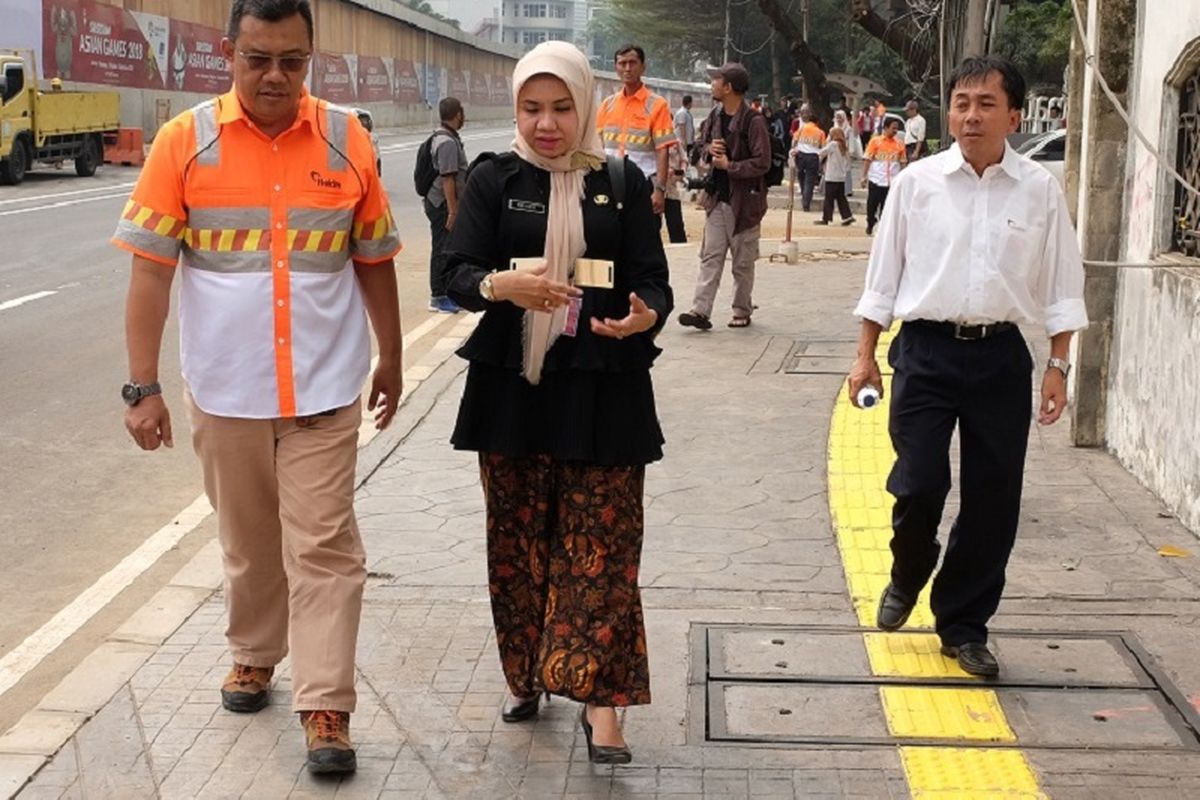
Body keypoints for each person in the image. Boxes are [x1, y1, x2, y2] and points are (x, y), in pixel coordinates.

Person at [114, 0, 402, 776]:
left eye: (292, 61)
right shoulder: (184, 141)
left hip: (324, 391)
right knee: (249, 545)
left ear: (312, 57)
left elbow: (374, 260)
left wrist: (392, 357)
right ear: (228, 54)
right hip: (227, 390)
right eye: (258, 59)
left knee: (325, 547)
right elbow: (149, 272)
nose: (275, 76)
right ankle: (254, 653)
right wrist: (141, 387)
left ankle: (326, 708)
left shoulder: (348, 141)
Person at [442, 40, 672, 766]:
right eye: (532, 108)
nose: (547, 123)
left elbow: (654, 279)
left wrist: (647, 314)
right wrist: (498, 287)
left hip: (605, 385)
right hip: (513, 386)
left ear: (585, 105)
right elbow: (453, 272)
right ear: (516, 109)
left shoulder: (621, 182)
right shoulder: (492, 178)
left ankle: (602, 707)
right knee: (518, 546)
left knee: (604, 549)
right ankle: (527, 673)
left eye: (562, 107)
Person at [847, 55, 1088, 677]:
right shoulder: (916, 184)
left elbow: (1063, 284)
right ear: (947, 111)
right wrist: (864, 357)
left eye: (985, 103)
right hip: (926, 350)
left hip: (1002, 356)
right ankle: (908, 570)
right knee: (920, 480)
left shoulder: (1039, 189)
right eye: (961, 102)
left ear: (1015, 114)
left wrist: (1059, 364)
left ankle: (964, 623)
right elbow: (884, 277)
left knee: (994, 497)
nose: (971, 115)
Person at [677, 61, 770, 331]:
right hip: (717, 199)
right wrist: (709, 149)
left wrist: (730, 166)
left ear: (728, 87)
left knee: (742, 263)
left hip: (745, 203)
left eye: (715, 80)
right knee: (711, 256)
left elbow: (762, 162)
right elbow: (698, 151)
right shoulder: (714, 118)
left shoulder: (754, 122)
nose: (711, 84)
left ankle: (742, 309)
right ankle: (700, 310)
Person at [596, 44, 678, 221]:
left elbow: (662, 150)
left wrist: (659, 190)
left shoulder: (657, 105)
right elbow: (597, 146)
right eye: (622, 63)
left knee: (644, 239)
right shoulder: (607, 105)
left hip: (643, 184)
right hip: (611, 182)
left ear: (643, 66)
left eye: (632, 62)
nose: (627, 68)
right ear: (616, 67)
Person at [425, 96, 467, 313]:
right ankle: (438, 296)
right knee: (441, 248)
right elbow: (448, 178)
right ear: (457, 114)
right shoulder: (447, 142)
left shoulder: (446, 137)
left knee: (447, 248)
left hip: (442, 203)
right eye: (462, 112)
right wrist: (452, 211)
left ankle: (445, 293)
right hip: (441, 204)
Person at [861, 116, 906, 235]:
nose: (895, 131)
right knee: (871, 206)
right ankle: (870, 222)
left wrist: (903, 178)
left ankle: (882, 229)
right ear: (885, 128)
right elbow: (867, 159)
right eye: (893, 128)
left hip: (891, 181)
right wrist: (864, 176)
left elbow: (902, 162)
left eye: (897, 128)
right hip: (876, 179)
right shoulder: (875, 142)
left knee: (886, 207)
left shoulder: (900, 144)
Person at [665, 94, 695, 243]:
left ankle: (679, 246)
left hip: (671, 188)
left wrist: (680, 172)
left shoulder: (675, 142)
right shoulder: (649, 142)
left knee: (675, 222)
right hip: (653, 187)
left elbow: (684, 160)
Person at [815, 127, 855, 226]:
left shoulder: (833, 144)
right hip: (841, 177)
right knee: (841, 198)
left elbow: (822, 152)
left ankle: (826, 218)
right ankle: (847, 216)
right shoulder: (844, 146)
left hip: (831, 176)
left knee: (829, 198)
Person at [790, 108, 826, 213]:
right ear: (817, 122)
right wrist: (821, 160)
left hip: (800, 156)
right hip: (813, 157)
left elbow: (794, 140)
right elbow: (823, 147)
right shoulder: (820, 132)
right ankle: (806, 203)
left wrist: (793, 151)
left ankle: (803, 196)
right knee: (810, 180)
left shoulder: (802, 128)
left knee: (801, 177)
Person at [833, 108, 862, 197]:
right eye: (837, 117)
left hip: (845, 153)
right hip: (835, 153)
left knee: (846, 171)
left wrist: (850, 152)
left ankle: (847, 190)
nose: (839, 120)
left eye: (840, 117)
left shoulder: (849, 130)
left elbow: (852, 142)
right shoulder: (834, 129)